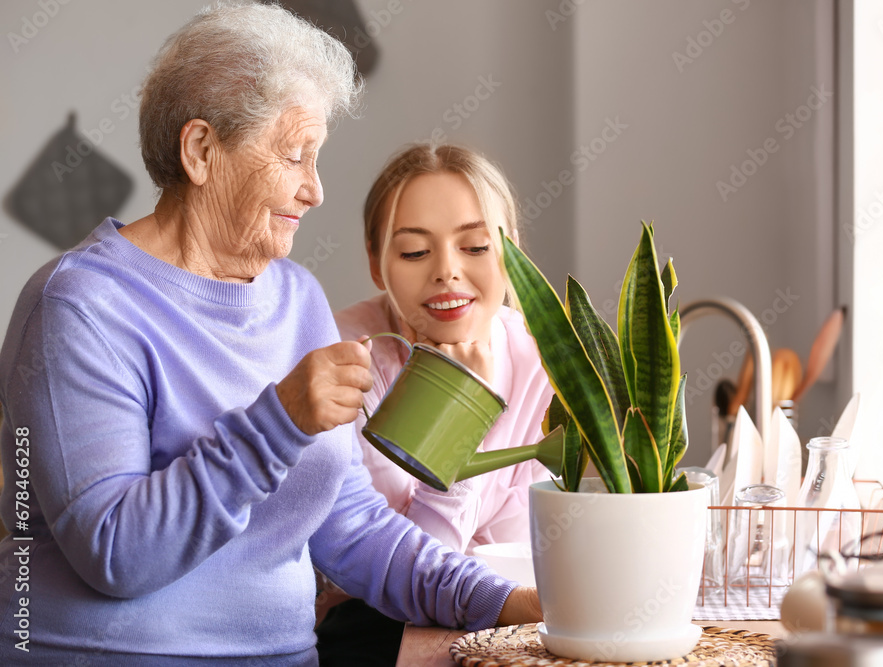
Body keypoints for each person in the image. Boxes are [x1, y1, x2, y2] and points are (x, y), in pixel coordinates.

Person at [0, 4, 539, 665]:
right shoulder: (77, 305)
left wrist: (510, 601)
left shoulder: (297, 300)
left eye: (318, 159)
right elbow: (116, 553)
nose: (314, 190)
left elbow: (354, 530)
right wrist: (279, 419)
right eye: (294, 156)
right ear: (201, 150)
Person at [314, 144, 555, 665]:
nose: (447, 272)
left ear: (511, 253)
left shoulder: (540, 362)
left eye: (474, 246)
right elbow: (400, 573)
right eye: (415, 252)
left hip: (494, 620)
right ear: (377, 264)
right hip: (366, 628)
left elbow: (514, 554)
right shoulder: (347, 357)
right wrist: (461, 413)